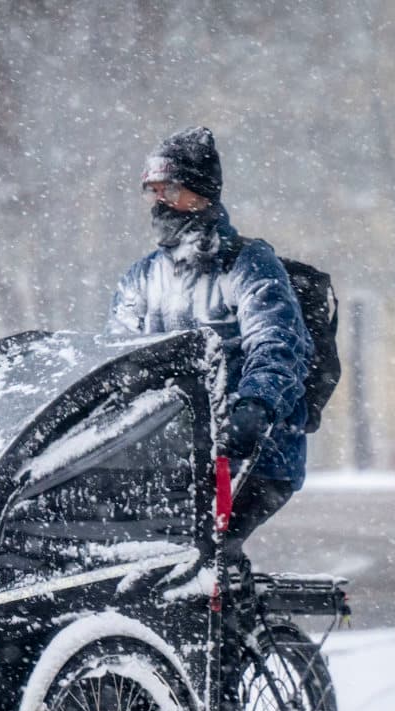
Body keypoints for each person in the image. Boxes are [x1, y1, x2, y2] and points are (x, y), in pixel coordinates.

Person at [106, 126, 312, 565]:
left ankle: (233, 624)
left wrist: (254, 408)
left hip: (254, 456)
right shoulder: (141, 278)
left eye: (172, 190)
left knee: (204, 559)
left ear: (202, 192)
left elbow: (277, 343)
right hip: (170, 456)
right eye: (152, 191)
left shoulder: (248, 264)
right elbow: (117, 357)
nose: (160, 202)